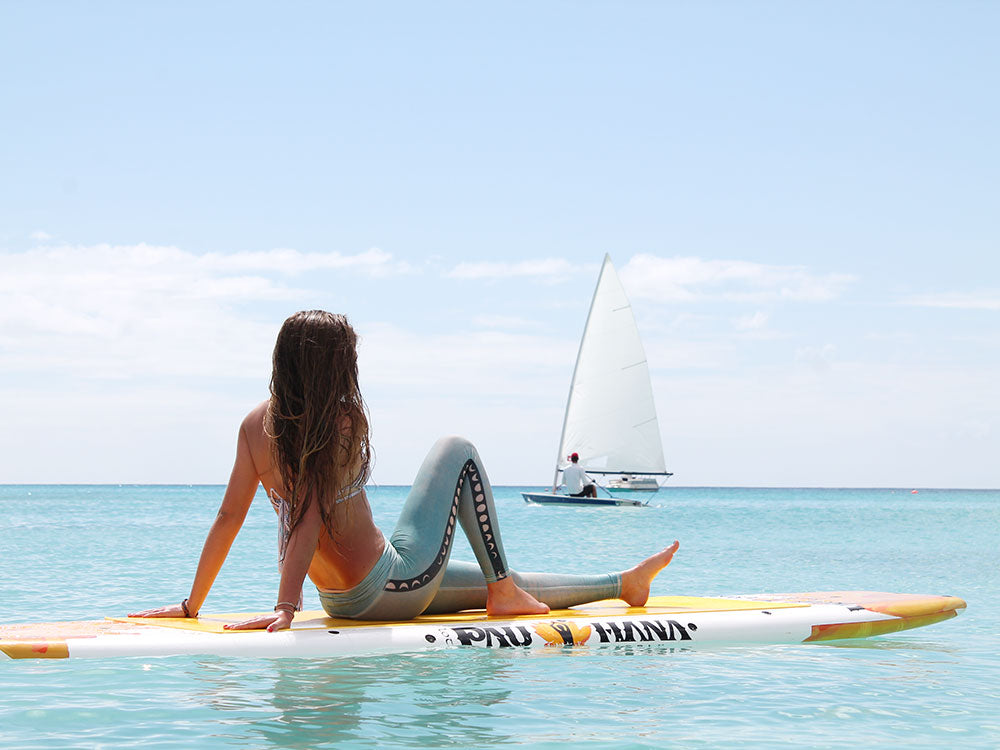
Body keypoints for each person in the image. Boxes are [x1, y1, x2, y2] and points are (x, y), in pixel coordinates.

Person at [130, 311, 679, 631]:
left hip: (345, 596)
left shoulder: (255, 426)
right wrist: (284, 608)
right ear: (334, 366)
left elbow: (229, 517)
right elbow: (310, 518)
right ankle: (503, 589)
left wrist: (190, 605)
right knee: (456, 448)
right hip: (391, 582)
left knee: (484, 581)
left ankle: (621, 583)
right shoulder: (338, 421)